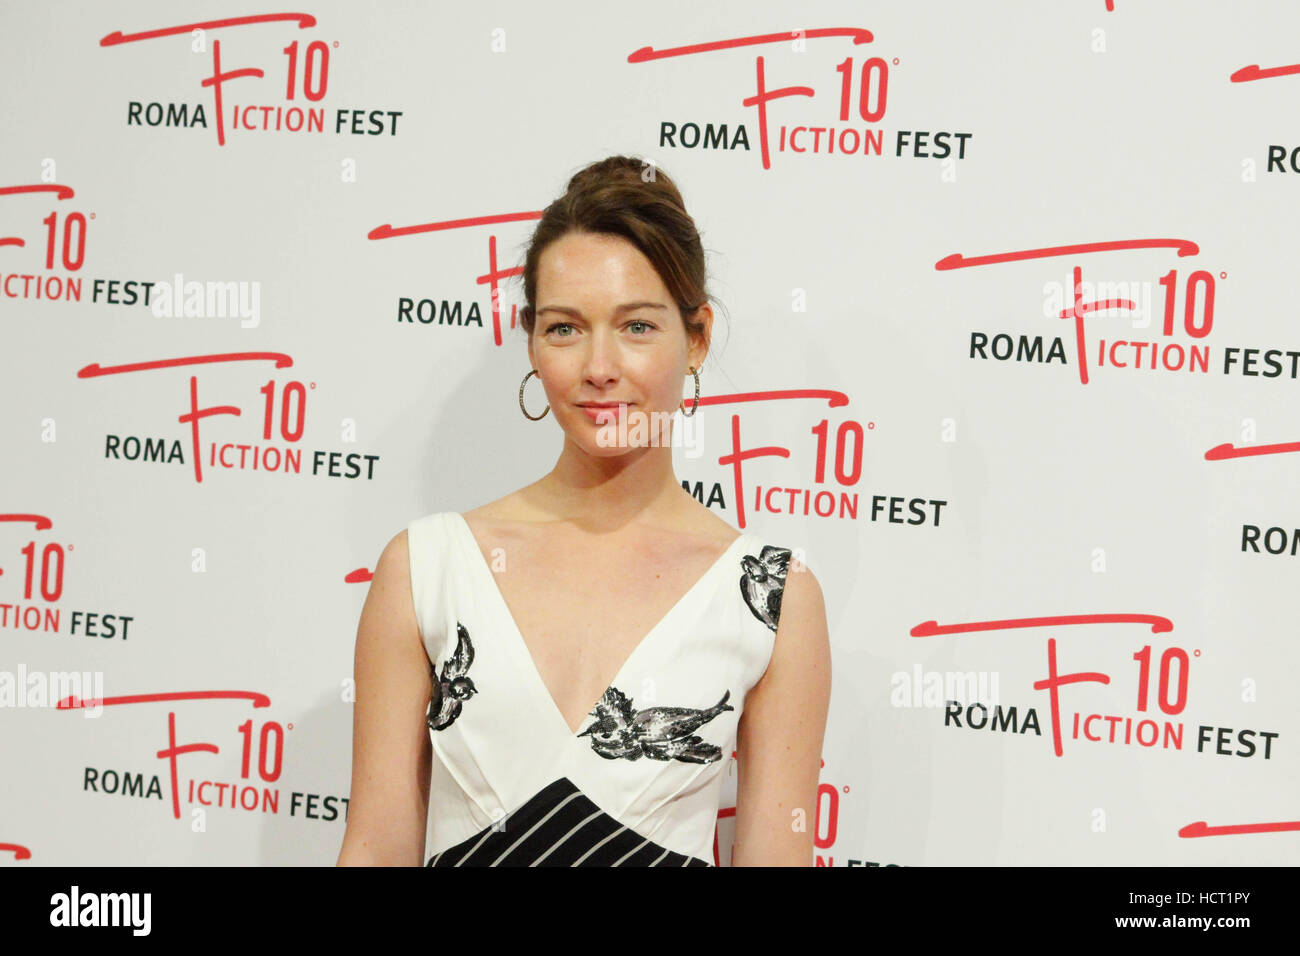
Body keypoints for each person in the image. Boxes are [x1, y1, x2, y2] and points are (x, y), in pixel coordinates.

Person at [337, 156, 831, 866]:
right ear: (531, 338)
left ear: (696, 338)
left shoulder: (770, 598)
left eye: (636, 327)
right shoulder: (426, 568)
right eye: (566, 329)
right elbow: (376, 845)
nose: (599, 367)